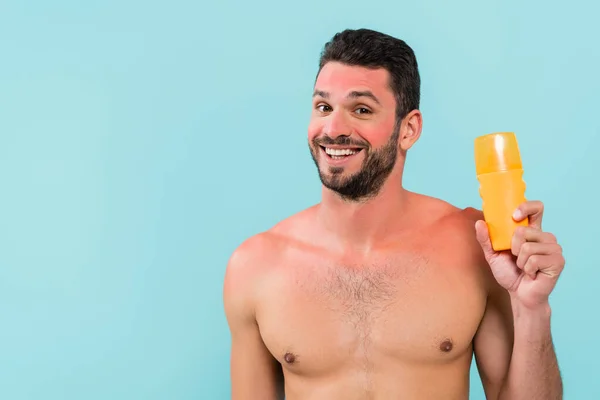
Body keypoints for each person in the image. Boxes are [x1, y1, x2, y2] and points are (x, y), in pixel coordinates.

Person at [223, 28, 565, 400]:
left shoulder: (476, 246)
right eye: (324, 107)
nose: (334, 128)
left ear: (409, 129)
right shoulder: (255, 267)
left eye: (362, 109)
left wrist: (532, 309)